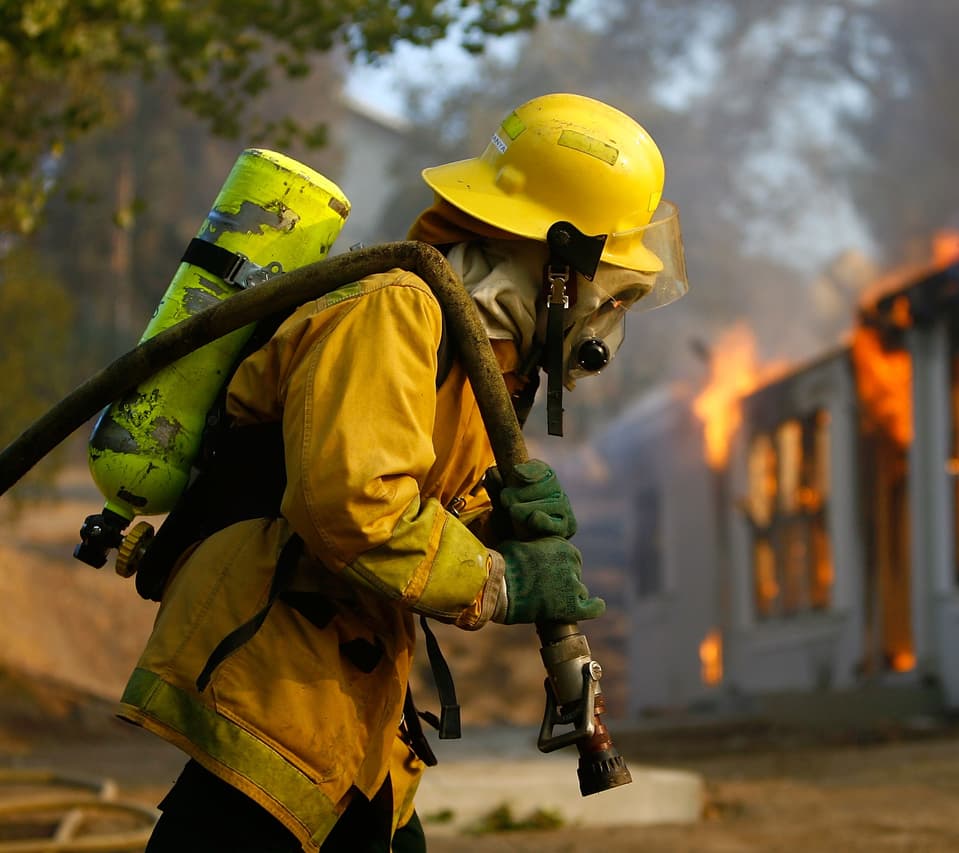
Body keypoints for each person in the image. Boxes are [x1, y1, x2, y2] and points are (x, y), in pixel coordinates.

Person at [122, 92, 688, 852]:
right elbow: (353, 507)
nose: (608, 316)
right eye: (611, 290)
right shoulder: (394, 310)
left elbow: (418, 499)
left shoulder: (474, 353)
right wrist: (500, 579)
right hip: (271, 676)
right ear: (557, 265)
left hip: (344, 699)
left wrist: (496, 521)